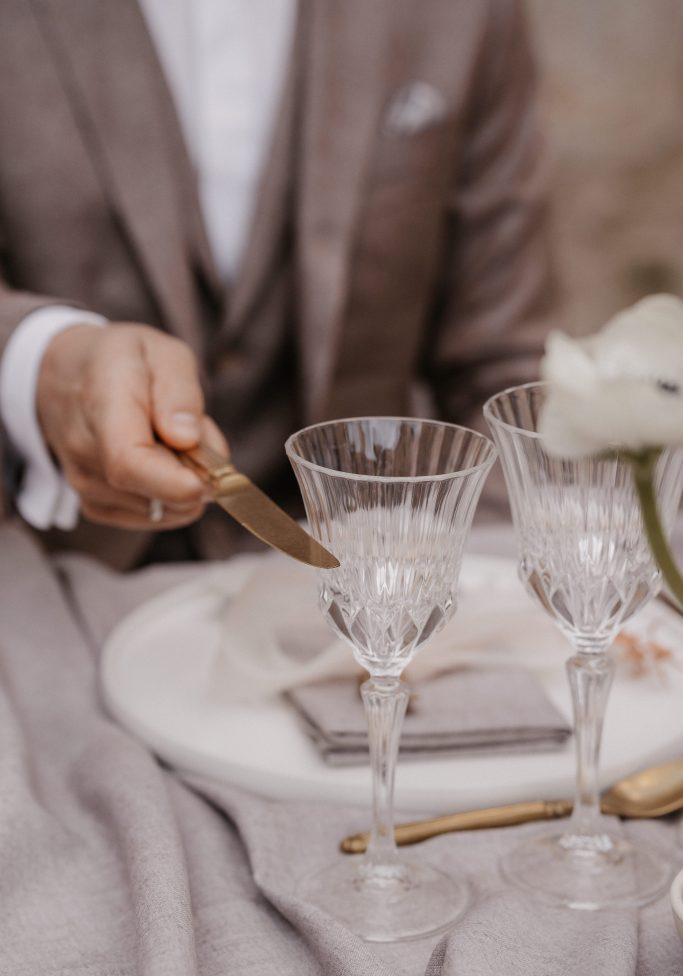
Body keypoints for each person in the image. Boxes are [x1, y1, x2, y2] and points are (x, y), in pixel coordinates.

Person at [0, 0, 553, 569]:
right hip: (49, 589)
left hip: (371, 586)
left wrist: (434, 585)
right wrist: (39, 360)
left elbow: (507, 372)